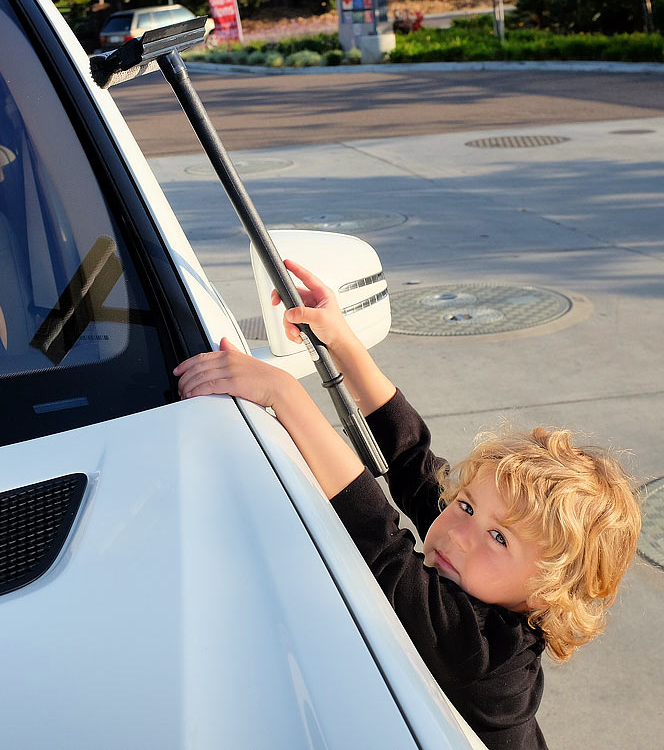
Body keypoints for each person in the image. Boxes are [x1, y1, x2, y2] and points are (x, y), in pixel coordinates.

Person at [173, 259, 642, 750]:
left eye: (499, 537)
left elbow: (382, 545)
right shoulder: (473, 567)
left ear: (547, 591)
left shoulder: (489, 659)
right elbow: (413, 461)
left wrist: (283, 394)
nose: (458, 531)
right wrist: (342, 343)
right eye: (465, 506)